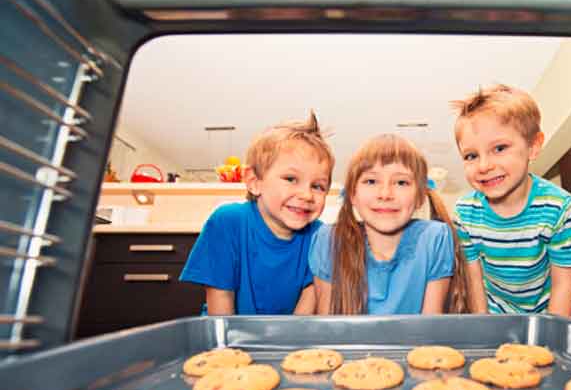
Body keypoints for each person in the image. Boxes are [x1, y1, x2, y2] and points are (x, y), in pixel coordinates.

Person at [451, 84, 571, 316]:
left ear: (533, 147)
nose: (484, 166)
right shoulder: (465, 213)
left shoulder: (559, 209)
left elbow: (565, 285)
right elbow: (474, 282)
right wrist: (483, 329)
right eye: (471, 155)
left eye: (499, 148)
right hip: (496, 313)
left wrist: (547, 339)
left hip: (550, 313)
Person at [180, 112, 334, 315]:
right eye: (290, 179)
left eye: (318, 186)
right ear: (254, 182)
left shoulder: (320, 237)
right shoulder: (227, 222)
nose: (306, 195)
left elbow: (304, 315)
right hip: (227, 335)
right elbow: (220, 307)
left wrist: (286, 345)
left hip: (287, 338)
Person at [310, 134, 470, 315]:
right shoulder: (329, 240)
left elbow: (430, 327)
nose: (385, 194)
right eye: (371, 181)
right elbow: (327, 328)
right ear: (353, 194)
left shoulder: (434, 238)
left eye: (401, 182)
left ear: (419, 197)